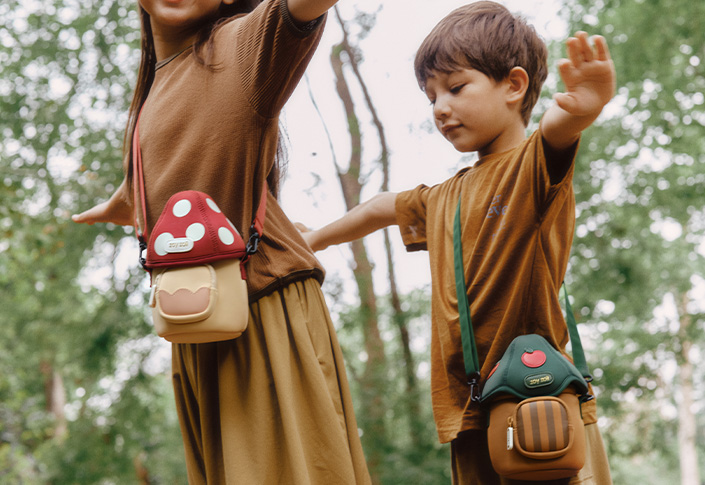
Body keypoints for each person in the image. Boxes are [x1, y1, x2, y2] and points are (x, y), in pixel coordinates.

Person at [298, 2, 615, 484]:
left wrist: (583, 109)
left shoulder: (530, 168)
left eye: (455, 87)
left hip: (541, 407)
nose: (439, 108)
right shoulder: (445, 197)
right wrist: (316, 239)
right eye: (431, 97)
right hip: (472, 411)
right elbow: (382, 207)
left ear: (514, 85)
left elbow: (556, 130)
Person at [72, 0, 371, 483]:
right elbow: (173, 167)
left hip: (263, 311)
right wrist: (122, 203)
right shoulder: (152, 90)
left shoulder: (245, 46)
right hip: (193, 322)